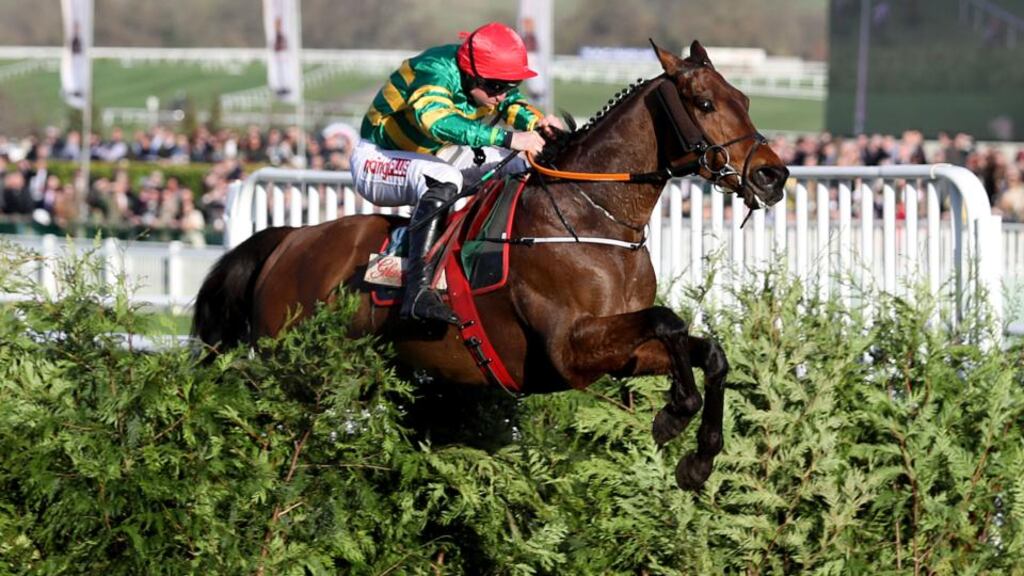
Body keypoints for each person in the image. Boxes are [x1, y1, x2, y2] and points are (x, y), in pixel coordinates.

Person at [351, 21, 562, 324]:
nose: (502, 95)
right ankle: (418, 293)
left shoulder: (489, 84)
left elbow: (511, 105)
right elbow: (436, 122)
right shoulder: (433, 69)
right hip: (378, 157)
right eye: (496, 87)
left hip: (435, 153)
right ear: (471, 74)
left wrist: (538, 124)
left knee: (523, 162)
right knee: (446, 178)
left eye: (510, 85)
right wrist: (508, 138)